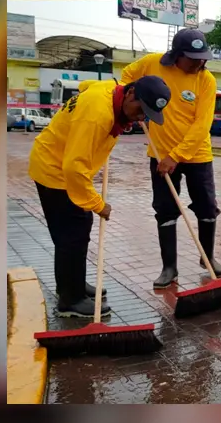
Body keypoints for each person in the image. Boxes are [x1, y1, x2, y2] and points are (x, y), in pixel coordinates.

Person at [28, 76, 170, 316]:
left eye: (147, 114)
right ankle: (70, 300)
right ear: (130, 93)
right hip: (55, 171)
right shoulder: (97, 116)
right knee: (72, 234)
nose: (141, 118)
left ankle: (72, 283)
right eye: (140, 109)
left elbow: (86, 85)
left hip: (60, 165)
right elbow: (74, 167)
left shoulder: (109, 90)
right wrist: (98, 204)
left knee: (77, 230)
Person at [121, 28, 221, 288]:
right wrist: (136, 103)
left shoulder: (206, 80)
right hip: (160, 153)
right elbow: (126, 79)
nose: (200, 62)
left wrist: (176, 156)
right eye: (193, 58)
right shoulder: (152, 63)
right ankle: (169, 268)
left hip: (197, 154)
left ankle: (207, 257)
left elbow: (202, 125)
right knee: (165, 209)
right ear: (177, 55)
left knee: (207, 207)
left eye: (203, 57)